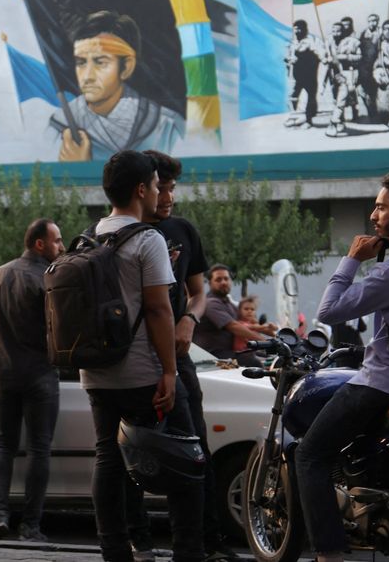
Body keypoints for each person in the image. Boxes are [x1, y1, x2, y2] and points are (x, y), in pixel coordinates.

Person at [83, 150, 203, 562]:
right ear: (140, 190)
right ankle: (188, 552)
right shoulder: (147, 239)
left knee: (109, 460)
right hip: (144, 374)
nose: (159, 192)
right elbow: (158, 309)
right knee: (187, 459)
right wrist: (170, 371)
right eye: (155, 185)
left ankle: (115, 551)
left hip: (97, 373)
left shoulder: (89, 236)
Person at [297, 170, 389, 562]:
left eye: (381, 207)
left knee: (310, 456)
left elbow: (329, 312)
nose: (373, 215)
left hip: (381, 384)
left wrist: (350, 260)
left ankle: (329, 554)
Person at [126, 150, 242, 562]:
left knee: (194, 451)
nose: (169, 195)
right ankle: (137, 542)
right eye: (163, 187)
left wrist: (189, 320)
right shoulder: (121, 232)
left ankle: (204, 544)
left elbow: (198, 293)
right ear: (143, 188)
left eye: (173, 187)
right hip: (134, 361)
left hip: (180, 356)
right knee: (129, 456)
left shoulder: (182, 230)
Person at [0, 218, 64, 543]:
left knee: (3, 445)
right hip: (41, 375)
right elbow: (57, 333)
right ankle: (31, 526)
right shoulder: (48, 281)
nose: (61, 246)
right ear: (40, 244)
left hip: (4, 375)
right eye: (57, 241)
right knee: (39, 449)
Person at [49, 11, 184, 161]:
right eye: (81, 63)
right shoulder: (59, 126)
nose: (87, 76)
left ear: (126, 67)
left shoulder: (167, 126)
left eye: (100, 63)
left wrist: (82, 169)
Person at [193, 265, 273, 365]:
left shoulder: (229, 304)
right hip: (213, 355)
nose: (223, 282)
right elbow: (234, 326)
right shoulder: (210, 303)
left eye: (226, 279)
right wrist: (265, 342)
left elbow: (246, 324)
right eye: (218, 279)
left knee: (273, 358)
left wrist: (271, 333)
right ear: (210, 283)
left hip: (231, 352)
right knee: (254, 362)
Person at [326, 18, 362, 137]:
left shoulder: (352, 42)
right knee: (337, 100)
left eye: (338, 31)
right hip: (334, 74)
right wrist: (327, 59)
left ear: (343, 31)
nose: (336, 33)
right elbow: (325, 55)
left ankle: (333, 123)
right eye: (333, 31)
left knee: (341, 99)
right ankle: (340, 122)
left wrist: (346, 57)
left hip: (347, 74)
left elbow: (360, 57)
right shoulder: (329, 41)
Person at [286, 20, 323, 128]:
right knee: (293, 96)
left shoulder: (311, 42)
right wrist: (289, 59)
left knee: (310, 97)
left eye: (299, 29)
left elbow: (319, 57)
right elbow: (290, 57)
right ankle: (294, 117)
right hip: (296, 75)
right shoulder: (293, 43)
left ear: (305, 30)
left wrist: (304, 59)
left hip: (309, 75)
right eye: (295, 29)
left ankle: (309, 120)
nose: (297, 31)